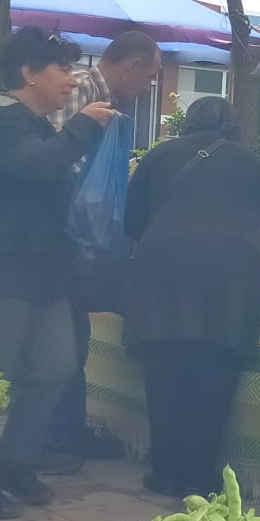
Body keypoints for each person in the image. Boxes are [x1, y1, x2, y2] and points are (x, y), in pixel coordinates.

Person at [0, 27, 112, 519]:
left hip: (43, 273)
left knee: (56, 365)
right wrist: (82, 129)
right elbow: (36, 167)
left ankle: (16, 460)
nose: (72, 78)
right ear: (28, 73)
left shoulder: (36, 123)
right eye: (62, 68)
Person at [122, 97, 260, 497]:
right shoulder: (252, 165)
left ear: (187, 122)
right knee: (214, 378)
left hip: (161, 281)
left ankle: (165, 471)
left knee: (164, 376)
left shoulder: (159, 157)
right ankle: (199, 475)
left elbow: (130, 221)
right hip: (228, 286)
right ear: (233, 126)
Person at [44, 31, 163, 470]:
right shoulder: (83, 93)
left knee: (75, 336)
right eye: (149, 77)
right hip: (62, 240)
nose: (149, 87)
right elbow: (67, 168)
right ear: (131, 67)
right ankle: (56, 439)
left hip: (71, 241)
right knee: (65, 342)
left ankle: (67, 433)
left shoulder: (103, 102)